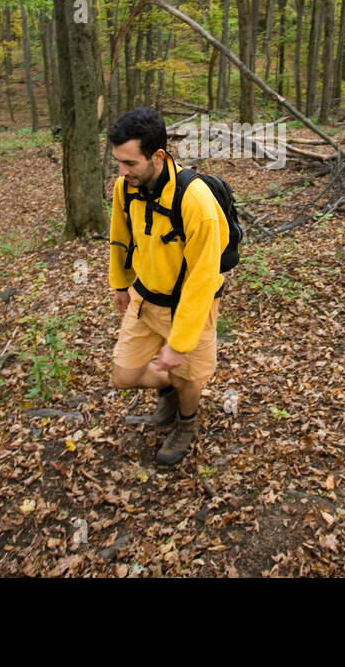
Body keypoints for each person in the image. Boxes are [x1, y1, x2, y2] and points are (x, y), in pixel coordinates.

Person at [107, 108, 229, 466]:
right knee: (124, 375)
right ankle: (169, 391)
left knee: (188, 379)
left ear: (158, 155)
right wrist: (120, 285)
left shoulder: (196, 203)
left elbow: (204, 277)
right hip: (144, 300)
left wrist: (180, 342)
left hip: (189, 306)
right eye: (118, 162)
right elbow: (119, 238)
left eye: (129, 163)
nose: (121, 172)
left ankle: (185, 423)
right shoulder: (124, 188)